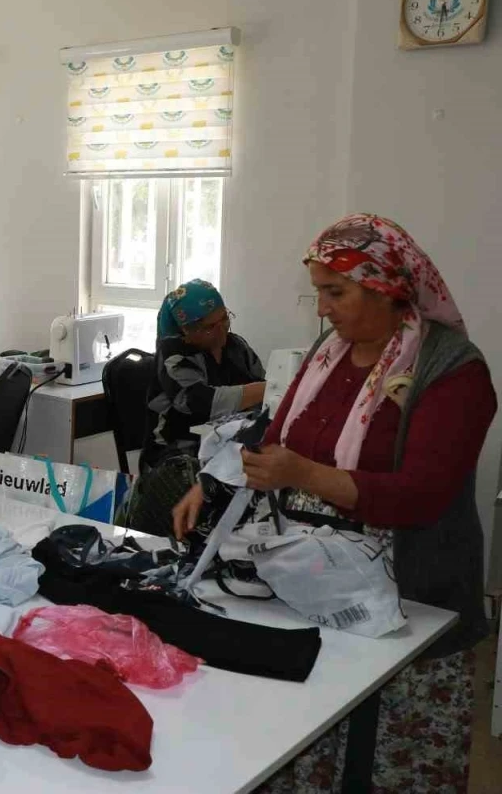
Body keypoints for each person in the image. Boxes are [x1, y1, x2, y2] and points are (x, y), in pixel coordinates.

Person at [173, 214, 496, 794]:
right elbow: (278, 431)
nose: (322, 309)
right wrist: (215, 479)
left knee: (388, 760)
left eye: (335, 292)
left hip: (410, 602)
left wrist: (306, 475)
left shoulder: (453, 371)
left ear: (386, 287)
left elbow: (422, 496)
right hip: (313, 586)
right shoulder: (330, 352)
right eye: (319, 291)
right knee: (310, 740)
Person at [142, 279, 265, 469]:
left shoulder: (237, 347)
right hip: (176, 454)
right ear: (186, 330)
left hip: (225, 445)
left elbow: (263, 395)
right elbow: (201, 403)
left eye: (225, 319)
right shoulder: (173, 356)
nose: (222, 330)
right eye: (210, 327)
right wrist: (267, 389)